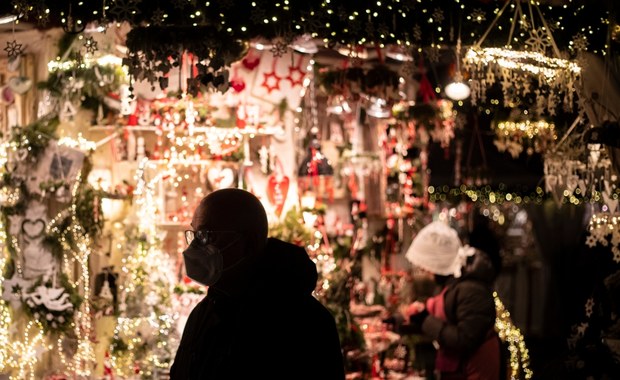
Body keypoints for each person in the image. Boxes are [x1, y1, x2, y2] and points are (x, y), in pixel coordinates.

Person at [170, 188, 345, 379]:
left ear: (249, 243)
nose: (195, 247)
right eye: (194, 235)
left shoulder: (306, 323)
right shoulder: (204, 312)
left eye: (206, 235)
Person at [400, 220, 500, 380]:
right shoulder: (454, 283)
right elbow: (440, 312)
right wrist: (404, 320)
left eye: (427, 265)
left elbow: (464, 339)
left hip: (475, 369)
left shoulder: (471, 290)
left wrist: (425, 319)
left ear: (439, 263)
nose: (426, 271)